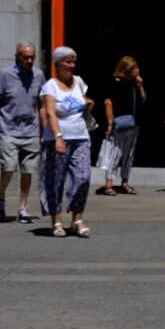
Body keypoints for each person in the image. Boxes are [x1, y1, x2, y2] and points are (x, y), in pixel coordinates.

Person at [38, 45, 93, 238]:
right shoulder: (50, 86)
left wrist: (88, 102)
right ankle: (57, 221)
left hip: (81, 137)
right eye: (67, 62)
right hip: (58, 139)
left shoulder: (78, 82)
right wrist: (58, 137)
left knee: (83, 177)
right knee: (55, 181)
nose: (71, 65)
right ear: (57, 65)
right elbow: (51, 113)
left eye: (73, 62)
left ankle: (77, 219)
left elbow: (82, 99)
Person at [0, 40, 42, 223]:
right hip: (8, 129)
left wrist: (45, 131)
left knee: (28, 171)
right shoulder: (5, 75)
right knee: (9, 166)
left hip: (31, 131)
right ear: (17, 57)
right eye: (26, 57)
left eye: (32, 57)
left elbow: (41, 105)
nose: (29, 61)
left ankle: (23, 208)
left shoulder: (38, 75)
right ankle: (0, 197)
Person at [99, 55, 145, 193]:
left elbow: (143, 100)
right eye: (134, 68)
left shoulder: (134, 83)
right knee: (115, 152)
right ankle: (109, 184)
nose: (137, 70)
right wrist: (110, 122)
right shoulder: (115, 82)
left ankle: (125, 182)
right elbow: (108, 103)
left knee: (129, 154)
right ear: (126, 69)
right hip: (119, 122)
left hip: (134, 123)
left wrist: (141, 85)